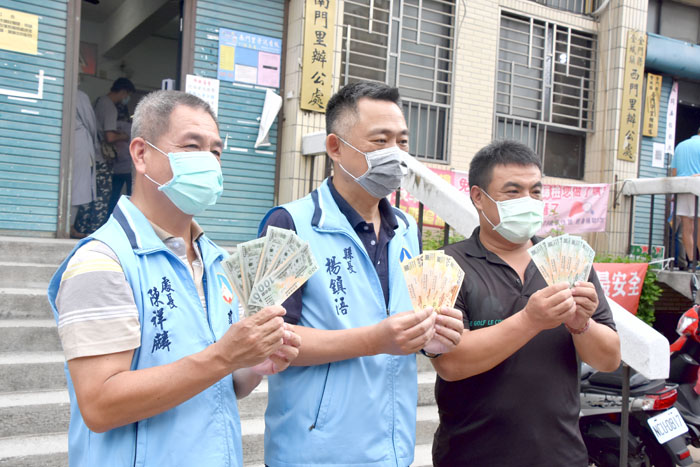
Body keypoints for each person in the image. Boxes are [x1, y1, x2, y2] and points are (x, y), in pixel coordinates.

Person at [48, 90, 301, 466]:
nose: (209, 162)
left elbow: (223, 385)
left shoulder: (217, 262)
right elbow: (100, 405)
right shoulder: (101, 261)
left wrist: (254, 365)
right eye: (191, 146)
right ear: (140, 154)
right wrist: (223, 356)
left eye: (215, 151)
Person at [258, 81, 465, 467]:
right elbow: (268, 341)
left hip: (393, 449)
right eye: (380, 140)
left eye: (402, 142)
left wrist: (433, 336)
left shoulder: (406, 228)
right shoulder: (288, 224)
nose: (397, 154)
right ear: (335, 148)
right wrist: (374, 339)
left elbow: (405, 325)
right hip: (314, 453)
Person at [430, 140, 621, 466]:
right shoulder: (445, 265)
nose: (528, 202)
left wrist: (582, 326)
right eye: (512, 191)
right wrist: (530, 320)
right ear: (478, 196)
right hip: (471, 456)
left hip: (561, 455)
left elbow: (609, 359)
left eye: (535, 191)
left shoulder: (568, 261)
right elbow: (450, 364)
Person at [87, 77, 135, 232]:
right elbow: (110, 137)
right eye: (126, 95)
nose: (125, 99)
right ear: (123, 92)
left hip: (93, 154)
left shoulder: (99, 101)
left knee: (97, 195)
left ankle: (90, 228)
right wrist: (124, 136)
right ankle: (100, 231)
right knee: (104, 197)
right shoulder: (110, 108)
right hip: (103, 157)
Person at [671, 127, 700, 268]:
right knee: (699, 228)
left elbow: (674, 172)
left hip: (682, 189)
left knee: (687, 228)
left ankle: (692, 261)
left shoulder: (680, 146)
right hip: (698, 189)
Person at [71, 90, 97, 239]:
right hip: (80, 142)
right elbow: (90, 123)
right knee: (79, 185)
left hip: (68, 141)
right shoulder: (80, 95)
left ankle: (70, 225)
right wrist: (96, 144)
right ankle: (69, 226)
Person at [107, 102, 133, 216]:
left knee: (113, 196)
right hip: (129, 168)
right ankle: (128, 218)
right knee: (131, 197)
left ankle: (109, 218)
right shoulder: (131, 127)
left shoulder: (111, 126)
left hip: (114, 167)